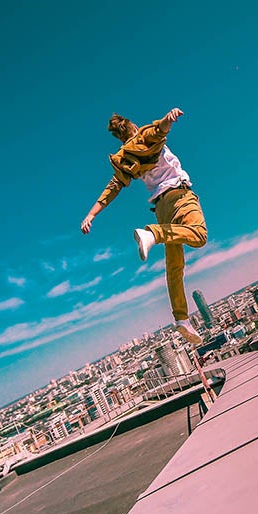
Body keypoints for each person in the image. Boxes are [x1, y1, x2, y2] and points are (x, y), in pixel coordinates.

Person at [80, 107, 208, 344]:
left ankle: (182, 318)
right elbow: (158, 130)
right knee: (199, 235)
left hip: (161, 208)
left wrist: (91, 214)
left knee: (174, 266)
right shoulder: (142, 137)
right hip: (179, 197)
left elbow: (113, 188)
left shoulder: (126, 157)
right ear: (134, 128)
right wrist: (168, 119)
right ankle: (152, 234)